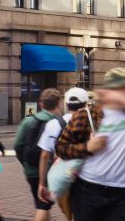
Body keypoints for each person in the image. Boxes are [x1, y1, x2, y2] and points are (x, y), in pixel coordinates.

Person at [54, 68, 125, 221]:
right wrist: (87, 147)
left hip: (122, 194)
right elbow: (61, 148)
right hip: (87, 191)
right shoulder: (85, 115)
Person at [39, 88, 91, 219]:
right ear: (86, 104)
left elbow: (45, 155)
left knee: (69, 212)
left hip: (63, 175)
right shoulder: (92, 123)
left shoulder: (53, 124)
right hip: (87, 176)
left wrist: (42, 183)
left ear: (66, 104)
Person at [16, 88, 63, 221]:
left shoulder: (28, 121)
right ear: (58, 104)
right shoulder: (59, 123)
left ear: (41, 104)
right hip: (50, 171)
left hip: (31, 170)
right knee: (43, 205)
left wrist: (26, 163)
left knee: (42, 204)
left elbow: (18, 145)